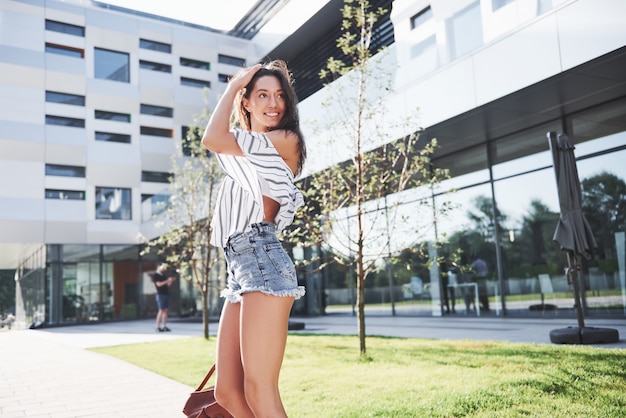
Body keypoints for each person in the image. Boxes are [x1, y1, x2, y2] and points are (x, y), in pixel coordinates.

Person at [201, 60, 306, 418]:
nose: (273, 103)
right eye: (262, 95)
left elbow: (211, 138)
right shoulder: (248, 152)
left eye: (279, 96)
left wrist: (233, 87)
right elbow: (221, 144)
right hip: (240, 267)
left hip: (262, 257)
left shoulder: (284, 140)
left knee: (260, 389)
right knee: (228, 392)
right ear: (248, 104)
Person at [152, 263, 176, 332]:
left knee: (165, 311)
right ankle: (158, 327)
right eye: (163, 267)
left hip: (166, 294)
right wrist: (167, 281)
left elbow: (167, 285)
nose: (164, 269)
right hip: (160, 295)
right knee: (161, 310)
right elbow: (159, 284)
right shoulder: (156, 275)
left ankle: (165, 326)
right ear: (159, 266)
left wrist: (170, 281)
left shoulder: (164, 275)